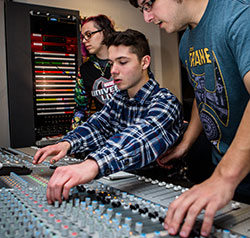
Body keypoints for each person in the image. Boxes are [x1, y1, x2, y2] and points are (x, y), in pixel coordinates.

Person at [124, 0, 250, 238]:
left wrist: (223, 177)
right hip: (230, 173)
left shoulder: (239, 16)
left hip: (234, 172)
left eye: (149, 3)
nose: (148, 17)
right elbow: (203, 98)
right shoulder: (186, 43)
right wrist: (185, 145)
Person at [33, 29, 183, 204]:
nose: (113, 71)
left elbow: (139, 137)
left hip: (161, 189)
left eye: (122, 62)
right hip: (125, 179)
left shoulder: (166, 102)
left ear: (145, 62)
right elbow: (97, 126)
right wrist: (67, 143)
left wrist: (93, 165)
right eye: (111, 63)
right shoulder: (119, 99)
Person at [71, 14, 117, 129]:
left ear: (104, 32)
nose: (85, 40)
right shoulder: (85, 70)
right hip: (105, 132)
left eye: (88, 34)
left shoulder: (123, 60)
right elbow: (80, 109)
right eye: (82, 37)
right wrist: (72, 138)